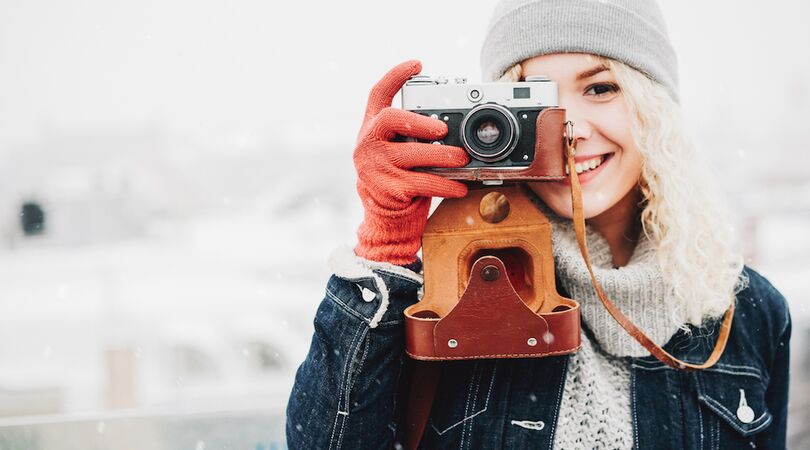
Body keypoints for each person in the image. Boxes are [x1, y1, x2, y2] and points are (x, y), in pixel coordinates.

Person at [285, 0, 792, 448]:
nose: (568, 127)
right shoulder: (443, 288)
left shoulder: (746, 311)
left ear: (655, 110)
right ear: (491, 119)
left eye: (599, 87)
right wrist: (385, 245)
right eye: (536, 98)